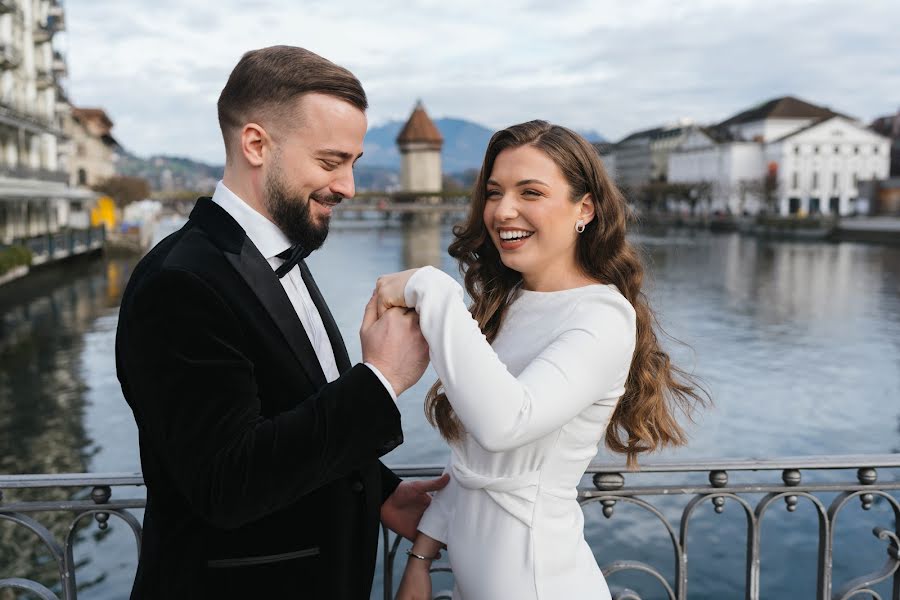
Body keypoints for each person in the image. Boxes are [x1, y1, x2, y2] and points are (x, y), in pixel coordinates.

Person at [115, 46, 447, 599]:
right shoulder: (181, 281)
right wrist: (381, 380)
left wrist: (378, 489)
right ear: (255, 144)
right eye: (329, 161)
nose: (349, 187)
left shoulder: (272, 251)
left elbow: (289, 412)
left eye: (353, 164)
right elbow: (226, 482)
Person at [373, 121, 707, 600]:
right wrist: (421, 556)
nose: (503, 210)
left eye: (530, 192)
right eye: (494, 192)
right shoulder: (505, 306)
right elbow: (476, 465)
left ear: (584, 208)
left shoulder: (602, 316)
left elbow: (505, 424)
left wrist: (433, 287)